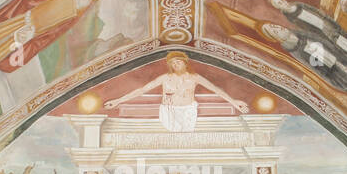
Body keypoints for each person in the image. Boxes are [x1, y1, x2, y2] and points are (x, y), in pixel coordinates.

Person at [104, 52, 248, 130]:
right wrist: (118, 100)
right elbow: (141, 90)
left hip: (189, 110)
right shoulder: (165, 78)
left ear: (185, 63)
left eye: (178, 62)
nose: (175, 65)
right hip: (168, 111)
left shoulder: (194, 77)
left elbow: (216, 89)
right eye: (172, 63)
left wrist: (234, 102)